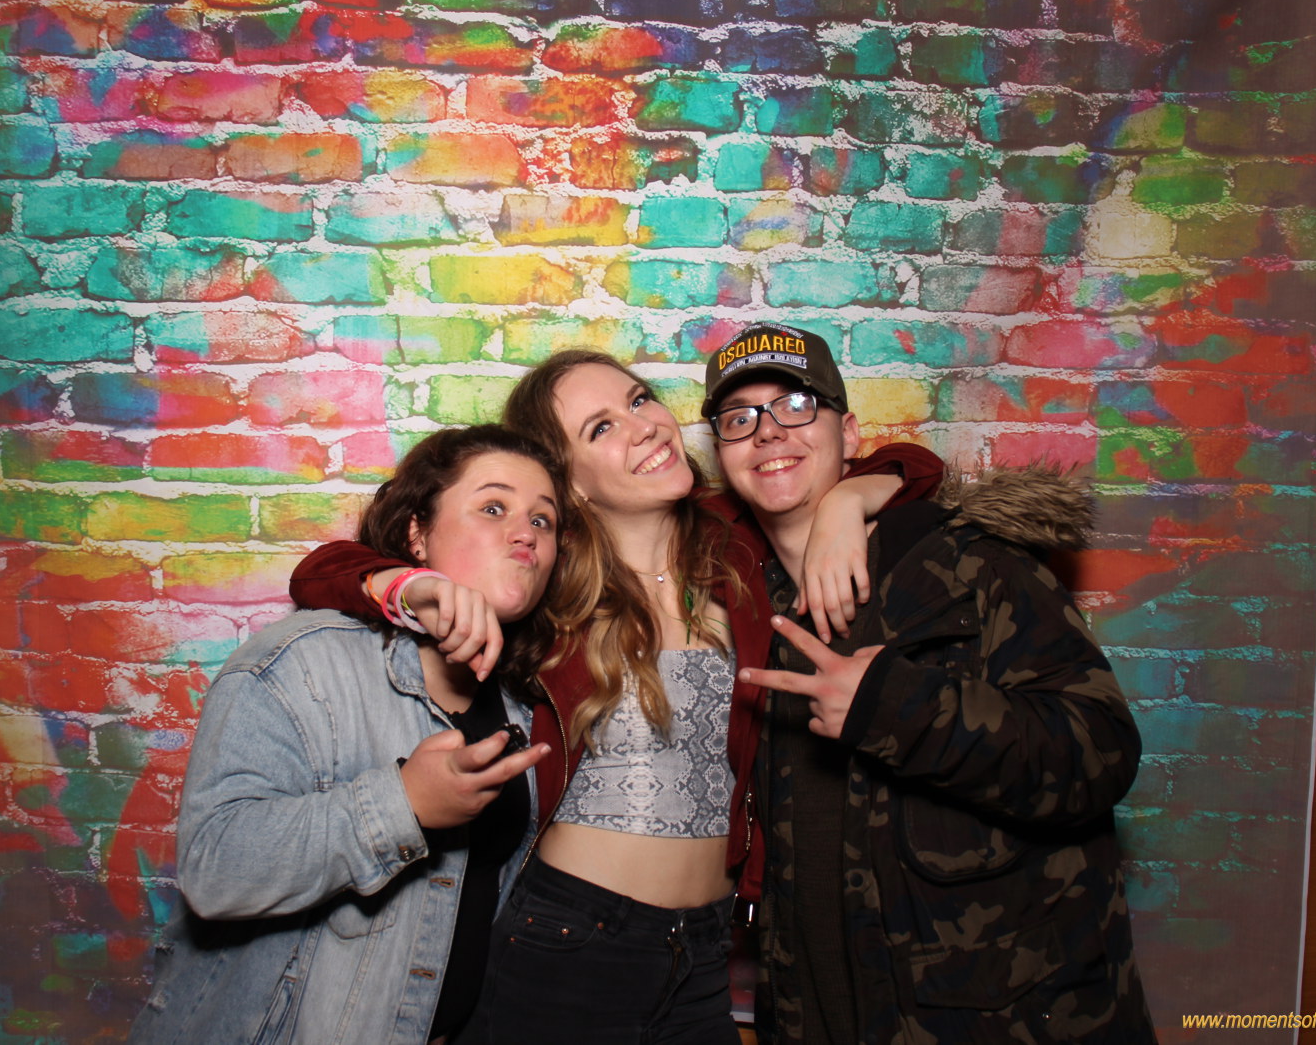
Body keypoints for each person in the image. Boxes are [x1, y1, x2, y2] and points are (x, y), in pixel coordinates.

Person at [288, 349, 944, 1044]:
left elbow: (919, 467)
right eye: (600, 428)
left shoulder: (738, 543)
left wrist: (845, 501)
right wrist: (412, 586)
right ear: (569, 483)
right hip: (567, 940)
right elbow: (320, 572)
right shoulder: (548, 580)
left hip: (705, 951)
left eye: (638, 401)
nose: (645, 426)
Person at [701, 323, 1156, 1043]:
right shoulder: (744, 599)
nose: (767, 431)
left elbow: (1099, 752)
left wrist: (892, 705)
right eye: (739, 418)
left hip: (1001, 1021)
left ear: (850, 434)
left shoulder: (966, 561)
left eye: (796, 404)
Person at [127, 426, 563, 1045]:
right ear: (417, 533)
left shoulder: (527, 707)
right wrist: (403, 803)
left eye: (543, 521)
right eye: (494, 508)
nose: (526, 533)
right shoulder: (301, 663)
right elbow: (215, 868)